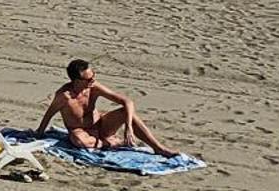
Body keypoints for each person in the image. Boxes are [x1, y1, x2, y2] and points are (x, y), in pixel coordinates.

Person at [37, 59, 181, 157]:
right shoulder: (64, 96)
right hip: (81, 131)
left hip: (100, 125)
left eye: (93, 75)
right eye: (88, 79)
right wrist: (39, 133)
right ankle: (115, 142)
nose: (92, 80)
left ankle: (158, 148)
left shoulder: (93, 87)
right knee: (78, 140)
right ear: (76, 81)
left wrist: (128, 126)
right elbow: (49, 115)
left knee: (127, 112)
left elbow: (126, 101)